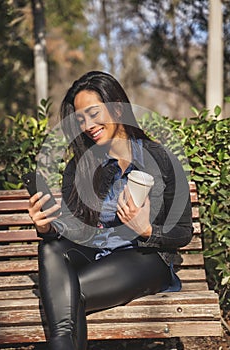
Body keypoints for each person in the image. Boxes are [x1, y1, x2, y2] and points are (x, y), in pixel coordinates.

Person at [28, 71, 193, 350]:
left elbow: (183, 232)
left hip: (145, 257)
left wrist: (147, 230)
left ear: (117, 107)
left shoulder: (162, 159)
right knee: (50, 249)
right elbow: (77, 229)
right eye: (80, 119)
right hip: (98, 258)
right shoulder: (79, 167)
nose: (87, 125)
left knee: (65, 294)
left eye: (93, 113)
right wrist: (47, 227)